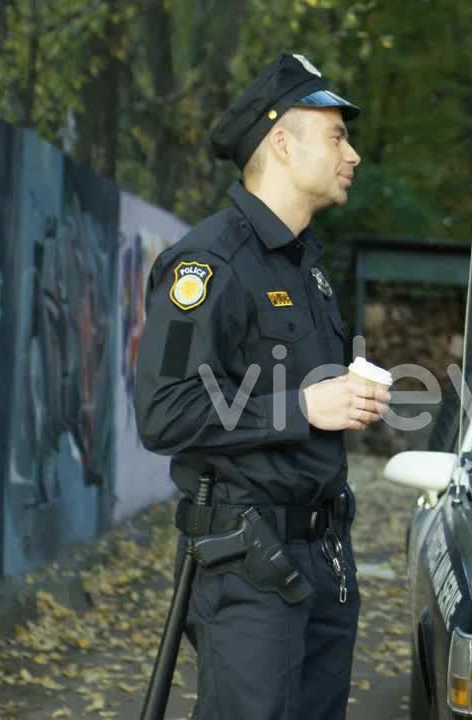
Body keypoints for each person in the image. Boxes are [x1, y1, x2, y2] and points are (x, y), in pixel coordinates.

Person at [134, 52, 386, 720]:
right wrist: (303, 406)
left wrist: (338, 401)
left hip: (324, 557)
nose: (352, 154)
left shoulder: (308, 267)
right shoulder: (207, 264)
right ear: (281, 141)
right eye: (337, 135)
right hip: (250, 567)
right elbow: (163, 412)